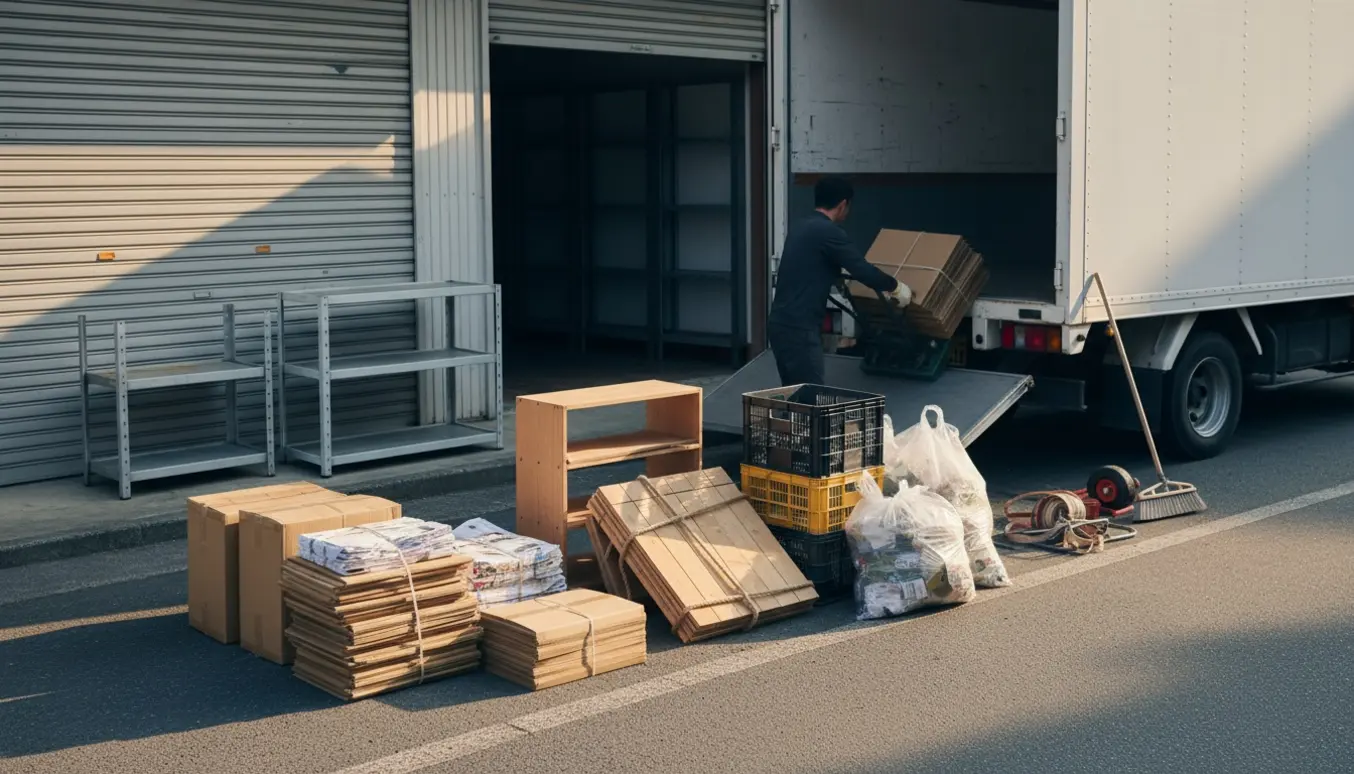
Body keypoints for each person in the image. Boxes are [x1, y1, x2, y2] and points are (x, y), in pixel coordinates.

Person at [767, 176, 910, 385]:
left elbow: (813, 264)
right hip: (800, 330)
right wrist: (895, 287)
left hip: (780, 324)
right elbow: (861, 269)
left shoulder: (800, 227)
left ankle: (791, 417)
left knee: (794, 394)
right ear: (843, 204)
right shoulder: (829, 232)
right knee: (810, 396)